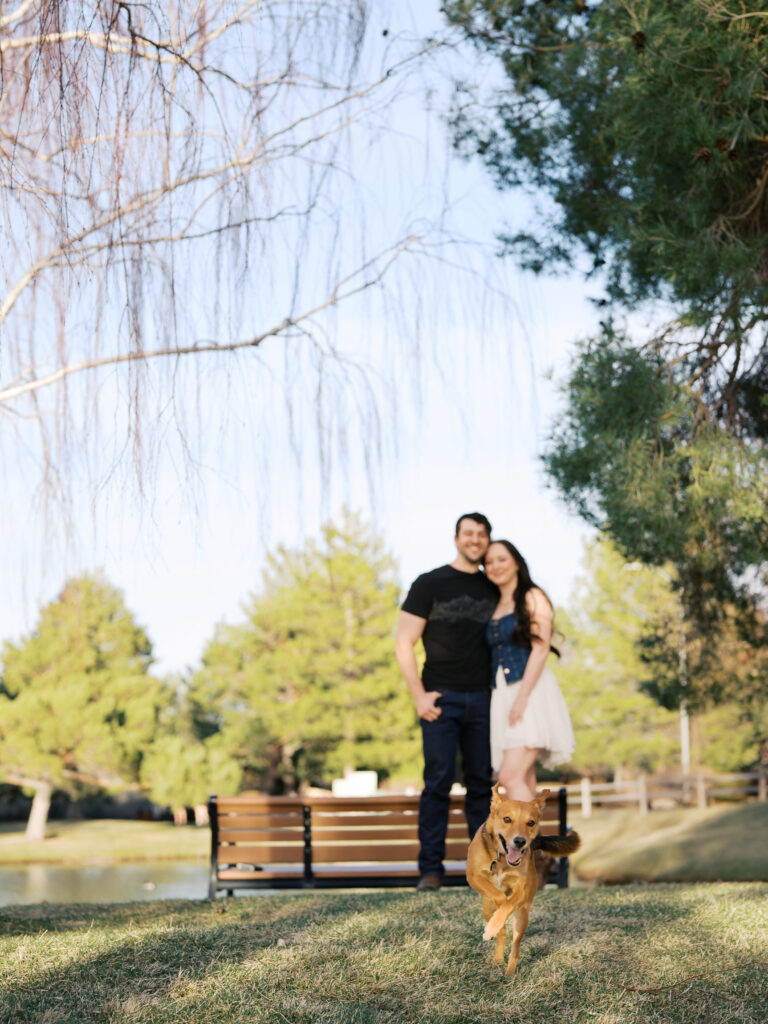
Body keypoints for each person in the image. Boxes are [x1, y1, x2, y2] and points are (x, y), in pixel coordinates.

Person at [395, 512, 499, 891]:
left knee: (480, 787)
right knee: (437, 784)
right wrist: (418, 695)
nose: (475, 539)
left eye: (482, 534)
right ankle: (431, 871)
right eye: (468, 533)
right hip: (440, 699)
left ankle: (483, 870)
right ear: (456, 538)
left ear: (488, 540)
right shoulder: (429, 583)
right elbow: (403, 642)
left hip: (485, 701)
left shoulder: (494, 588)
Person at [483, 540, 575, 801]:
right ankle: (533, 842)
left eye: (502, 559)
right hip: (502, 694)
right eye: (489, 562)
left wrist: (522, 698)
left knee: (509, 778)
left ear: (516, 562)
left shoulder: (533, 596)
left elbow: (541, 648)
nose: (495, 566)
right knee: (523, 778)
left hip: (530, 692)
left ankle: (524, 842)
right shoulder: (494, 605)